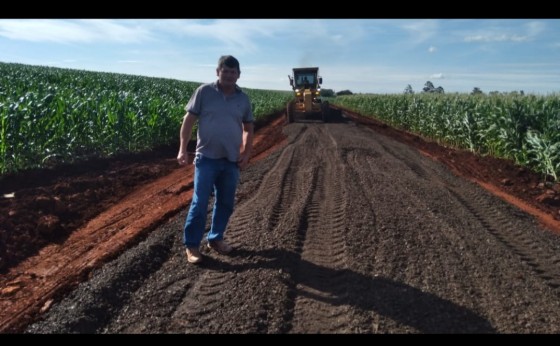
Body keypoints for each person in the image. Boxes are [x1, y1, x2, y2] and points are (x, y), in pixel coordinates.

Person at [177, 55, 254, 264]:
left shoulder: (243, 99)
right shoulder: (204, 92)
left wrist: (246, 153)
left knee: (226, 202)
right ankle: (192, 246)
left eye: (233, 72)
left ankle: (215, 238)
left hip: (231, 161)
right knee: (200, 202)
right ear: (217, 72)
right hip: (206, 159)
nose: (229, 75)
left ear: (238, 75)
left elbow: (248, 128)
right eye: (225, 71)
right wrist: (182, 149)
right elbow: (189, 120)